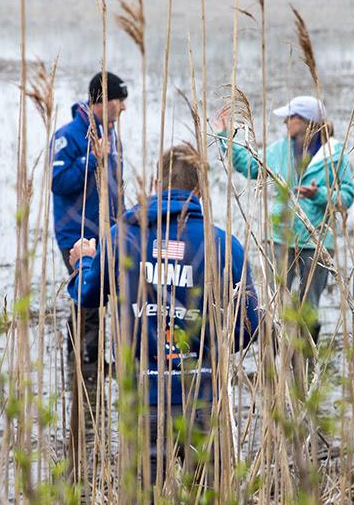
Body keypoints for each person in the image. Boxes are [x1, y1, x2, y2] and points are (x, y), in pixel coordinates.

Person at [68, 143, 259, 491]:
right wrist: (211, 347)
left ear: (156, 182)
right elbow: (249, 327)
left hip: (144, 397)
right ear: (200, 190)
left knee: (144, 495)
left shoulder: (121, 237)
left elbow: (87, 296)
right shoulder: (223, 245)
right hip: (204, 394)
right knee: (211, 494)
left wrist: (83, 261)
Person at [216, 96, 354, 347]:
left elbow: (347, 195)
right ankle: (273, 363)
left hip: (317, 240)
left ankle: (306, 360)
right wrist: (226, 138)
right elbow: (248, 165)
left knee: (308, 305)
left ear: (308, 122)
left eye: (291, 118)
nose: (286, 122)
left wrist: (320, 195)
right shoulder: (279, 150)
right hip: (279, 236)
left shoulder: (335, 154)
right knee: (272, 300)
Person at [50, 71, 127, 366]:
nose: (123, 107)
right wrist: (92, 158)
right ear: (103, 101)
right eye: (119, 100)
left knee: (99, 294)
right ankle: (85, 361)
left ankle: (88, 358)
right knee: (90, 295)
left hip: (107, 230)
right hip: (75, 232)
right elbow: (58, 181)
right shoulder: (68, 136)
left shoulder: (111, 134)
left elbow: (114, 184)